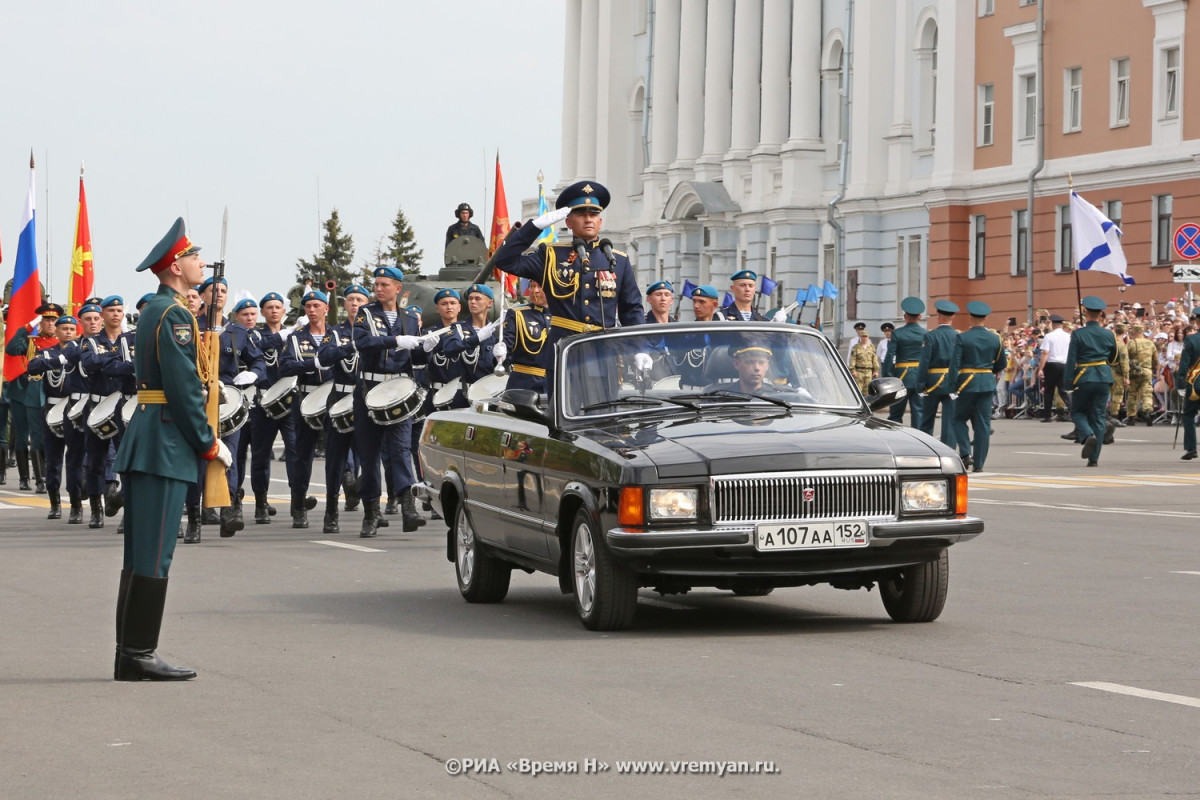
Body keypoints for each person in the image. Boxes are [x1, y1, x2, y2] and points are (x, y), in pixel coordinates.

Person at [113, 217, 233, 681]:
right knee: (155, 552)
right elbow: (184, 389)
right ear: (176, 266)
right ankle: (139, 653)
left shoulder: (160, 310)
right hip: (164, 442)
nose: (201, 262)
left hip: (151, 436)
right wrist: (208, 444)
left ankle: (130, 652)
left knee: (141, 553)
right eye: (194, 256)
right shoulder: (174, 315)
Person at [492, 180, 646, 365]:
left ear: (600, 221)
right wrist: (534, 227)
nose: (588, 219)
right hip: (564, 352)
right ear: (568, 221)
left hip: (604, 353)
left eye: (594, 214)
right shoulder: (551, 255)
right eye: (581, 214)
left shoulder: (618, 260)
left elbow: (631, 309)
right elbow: (505, 261)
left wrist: (639, 348)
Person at [351, 265, 429, 536]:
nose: (379, 288)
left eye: (385, 284)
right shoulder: (366, 313)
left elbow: (416, 358)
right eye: (377, 284)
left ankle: (408, 507)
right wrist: (396, 339)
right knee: (370, 455)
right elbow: (362, 342)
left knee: (400, 450)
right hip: (370, 390)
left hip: (399, 391)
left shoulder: (409, 318)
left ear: (398, 289)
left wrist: (426, 348)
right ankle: (371, 512)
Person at [316, 284, 369, 532]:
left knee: (370, 458)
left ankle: (371, 511)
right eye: (350, 299)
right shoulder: (335, 333)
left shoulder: (374, 332)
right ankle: (330, 512)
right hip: (339, 399)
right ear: (345, 304)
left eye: (359, 299)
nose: (355, 303)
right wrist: (350, 347)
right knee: (335, 460)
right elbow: (324, 356)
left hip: (366, 401)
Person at [280, 290, 333, 528]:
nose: (312, 310)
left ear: (326, 309)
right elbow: (286, 366)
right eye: (308, 306)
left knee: (339, 454)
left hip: (334, 399)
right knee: (302, 456)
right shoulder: (295, 338)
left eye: (316, 306)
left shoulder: (338, 335)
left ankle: (334, 509)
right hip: (306, 398)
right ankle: (299, 505)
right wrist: (312, 363)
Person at [26, 314, 85, 519]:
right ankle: (54, 502)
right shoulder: (48, 353)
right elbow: (32, 367)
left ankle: (76, 504)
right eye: (64, 329)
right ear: (57, 332)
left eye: (71, 329)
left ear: (77, 332)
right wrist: (56, 360)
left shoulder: (80, 353)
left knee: (74, 458)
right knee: (53, 458)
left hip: (73, 408)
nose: (68, 332)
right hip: (51, 409)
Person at [4, 302, 61, 492]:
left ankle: (41, 477)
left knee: (41, 436)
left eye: (53, 319)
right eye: (46, 320)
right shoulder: (31, 341)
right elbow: (12, 348)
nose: (50, 323)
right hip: (25, 391)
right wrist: (29, 326)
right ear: (41, 322)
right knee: (22, 435)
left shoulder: (61, 343)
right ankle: (24, 478)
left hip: (49, 392)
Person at [951, 302, 1006, 472]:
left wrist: (952, 386)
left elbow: (955, 364)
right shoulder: (995, 338)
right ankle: (979, 463)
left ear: (970, 318)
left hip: (967, 382)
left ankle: (966, 453)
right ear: (986, 318)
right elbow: (1001, 363)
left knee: (958, 419)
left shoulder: (963, 337)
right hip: (987, 382)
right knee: (983, 424)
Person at [1065, 296, 1117, 467]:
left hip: (1084, 376)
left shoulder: (1078, 334)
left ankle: (1087, 435)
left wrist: (1067, 382)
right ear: (1101, 314)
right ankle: (1094, 459)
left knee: (1078, 412)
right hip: (1103, 375)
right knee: (1099, 417)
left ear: (1085, 313)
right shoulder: (1109, 334)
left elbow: (1071, 360)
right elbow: (1115, 357)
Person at [916, 299, 961, 448]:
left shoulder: (931, 336)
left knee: (927, 419)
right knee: (950, 420)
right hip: (952, 381)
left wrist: (920, 384)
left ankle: (925, 449)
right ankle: (948, 450)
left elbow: (925, 361)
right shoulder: (958, 336)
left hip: (933, 381)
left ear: (939, 317)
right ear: (952, 317)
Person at [883, 297, 927, 427]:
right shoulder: (925, 334)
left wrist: (890, 376)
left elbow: (889, 357)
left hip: (901, 377)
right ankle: (919, 441)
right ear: (920, 316)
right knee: (918, 411)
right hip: (919, 376)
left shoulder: (897, 334)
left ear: (904, 316)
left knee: (896, 413)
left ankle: (896, 440)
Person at [501, 279, 551, 393]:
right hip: (524, 384)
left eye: (540, 286)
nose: (535, 291)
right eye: (532, 286)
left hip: (555, 383)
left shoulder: (562, 314)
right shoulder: (518, 314)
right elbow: (508, 342)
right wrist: (501, 352)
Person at [1175, 306, 1200, 461]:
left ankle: (1191, 449)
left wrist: (1180, 383)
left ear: (1197, 320)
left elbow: (1184, 365)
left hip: (1194, 383)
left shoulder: (1191, 339)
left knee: (1189, 415)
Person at [1037, 314, 1071, 422]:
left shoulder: (1049, 336)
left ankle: (1047, 415)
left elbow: (1045, 352)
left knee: (1049, 390)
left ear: (1052, 323)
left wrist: (1041, 368)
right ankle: (1074, 411)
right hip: (1065, 364)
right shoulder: (1068, 336)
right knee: (1063, 390)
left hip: (1052, 364)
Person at [1108, 322, 1130, 426]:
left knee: (1106, 395)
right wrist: (1126, 376)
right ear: (1125, 332)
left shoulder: (1109, 342)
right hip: (1117, 372)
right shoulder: (1121, 345)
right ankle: (1114, 417)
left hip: (1106, 370)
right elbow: (1124, 362)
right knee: (1117, 395)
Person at [849, 326, 880, 395]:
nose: (864, 338)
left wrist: (876, 371)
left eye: (866, 336)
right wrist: (853, 370)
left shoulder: (871, 347)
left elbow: (874, 359)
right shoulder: (856, 347)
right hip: (859, 372)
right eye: (863, 336)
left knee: (868, 391)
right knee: (858, 390)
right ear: (860, 337)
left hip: (869, 372)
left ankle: (866, 405)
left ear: (868, 337)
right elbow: (853, 359)